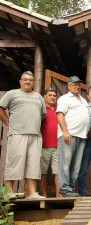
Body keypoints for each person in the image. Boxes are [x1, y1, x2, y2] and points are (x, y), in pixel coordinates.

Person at [0, 71, 46, 199]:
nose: (28, 82)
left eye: (30, 80)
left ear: (34, 83)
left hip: (35, 135)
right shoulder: (12, 94)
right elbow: (1, 108)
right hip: (17, 133)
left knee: (34, 164)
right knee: (15, 162)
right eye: (25, 79)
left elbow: (43, 115)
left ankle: (31, 193)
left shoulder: (38, 97)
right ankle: (8, 192)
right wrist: (8, 122)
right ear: (20, 81)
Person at [56, 76, 90, 197]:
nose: (77, 86)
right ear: (68, 86)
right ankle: (64, 188)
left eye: (78, 84)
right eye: (74, 84)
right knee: (65, 162)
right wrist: (65, 132)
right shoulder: (65, 98)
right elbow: (60, 115)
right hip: (69, 135)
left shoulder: (83, 100)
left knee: (76, 165)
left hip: (81, 136)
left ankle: (69, 188)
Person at [77, 85, 91, 196]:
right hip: (86, 141)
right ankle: (82, 193)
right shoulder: (84, 107)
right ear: (88, 95)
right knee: (82, 169)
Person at [40, 88, 59, 198]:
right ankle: (44, 195)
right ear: (44, 97)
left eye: (54, 95)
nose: (52, 97)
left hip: (58, 146)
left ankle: (58, 194)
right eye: (50, 95)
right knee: (43, 172)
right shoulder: (41, 111)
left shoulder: (59, 111)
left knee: (57, 172)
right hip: (43, 146)